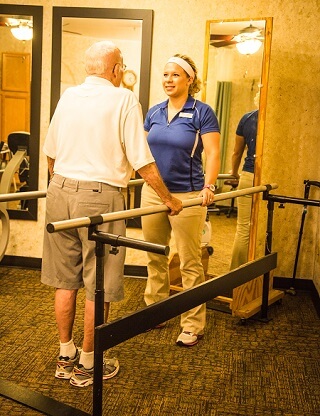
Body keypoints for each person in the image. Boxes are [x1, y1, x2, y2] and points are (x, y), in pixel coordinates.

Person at [41, 41, 182, 388]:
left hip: (59, 190)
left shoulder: (69, 97)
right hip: (100, 197)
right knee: (98, 283)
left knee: (65, 280)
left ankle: (65, 354)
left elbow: (50, 155)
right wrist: (169, 200)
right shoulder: (124, 99)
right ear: (116, 69)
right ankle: (89, 362)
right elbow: (142, 160)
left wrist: (63, 188)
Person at [141, 54, 220, 347]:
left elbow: (212, 152)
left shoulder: (202, 112)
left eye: (175, 75)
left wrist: (208, 186)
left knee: (189, 262)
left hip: (186, 196)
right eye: (165, 75)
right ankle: (157, 310)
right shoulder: (154, 112)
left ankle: (193, 324)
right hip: (153, 193)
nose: (168, 80)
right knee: (154, 255)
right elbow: (143, 151)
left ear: (189, 79)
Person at [229, 107, 258, 270]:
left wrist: (234, 173)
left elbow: (237, 152)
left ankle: (235, 275)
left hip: (248, 175)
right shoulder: (279, 119)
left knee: (243, 227)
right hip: (268, 176)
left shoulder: (247, 118)